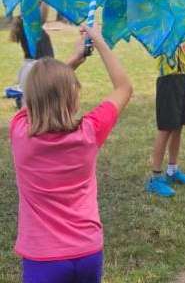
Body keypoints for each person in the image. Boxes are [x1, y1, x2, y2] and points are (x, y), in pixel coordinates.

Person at [10, 25, 133, 283]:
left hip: (43, 259)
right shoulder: (89, 132)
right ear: (74, 99)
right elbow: (123, 87)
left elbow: (36, 96)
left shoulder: (21, 133)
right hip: (87, 252)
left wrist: (72, 61)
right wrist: (99, 41)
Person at [146, 40, 185, 197]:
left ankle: (172, 171)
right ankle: (155, 178)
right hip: (168, 80)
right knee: (166, 128)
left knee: (178, 126)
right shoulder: (163, 24)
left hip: (183, 79)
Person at [10, 2, 54, 98]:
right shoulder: (28, 26)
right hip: (37, 68)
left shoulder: (27, 25)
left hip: (36, 67)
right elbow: (42, 18)